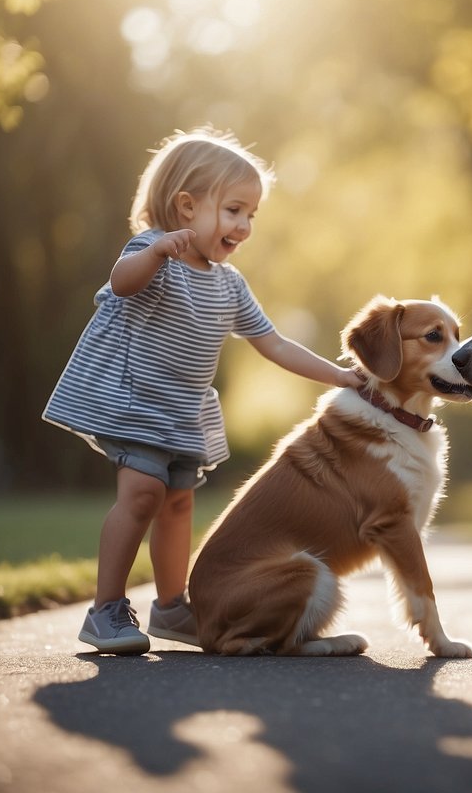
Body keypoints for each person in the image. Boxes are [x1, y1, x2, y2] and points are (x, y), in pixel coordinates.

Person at [43, 127, 363, 655]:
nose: (244, 225)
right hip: (135, 406)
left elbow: (275, 344)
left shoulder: (229, 283)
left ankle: (171, 608)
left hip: (182, 414)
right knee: (142, 495)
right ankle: (104, 611)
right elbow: (122, 282)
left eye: (252, 215)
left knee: (178, 505)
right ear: (187, 207)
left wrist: (342, 375)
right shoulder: (153, 253)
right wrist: (158, 252)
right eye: (235, 210)